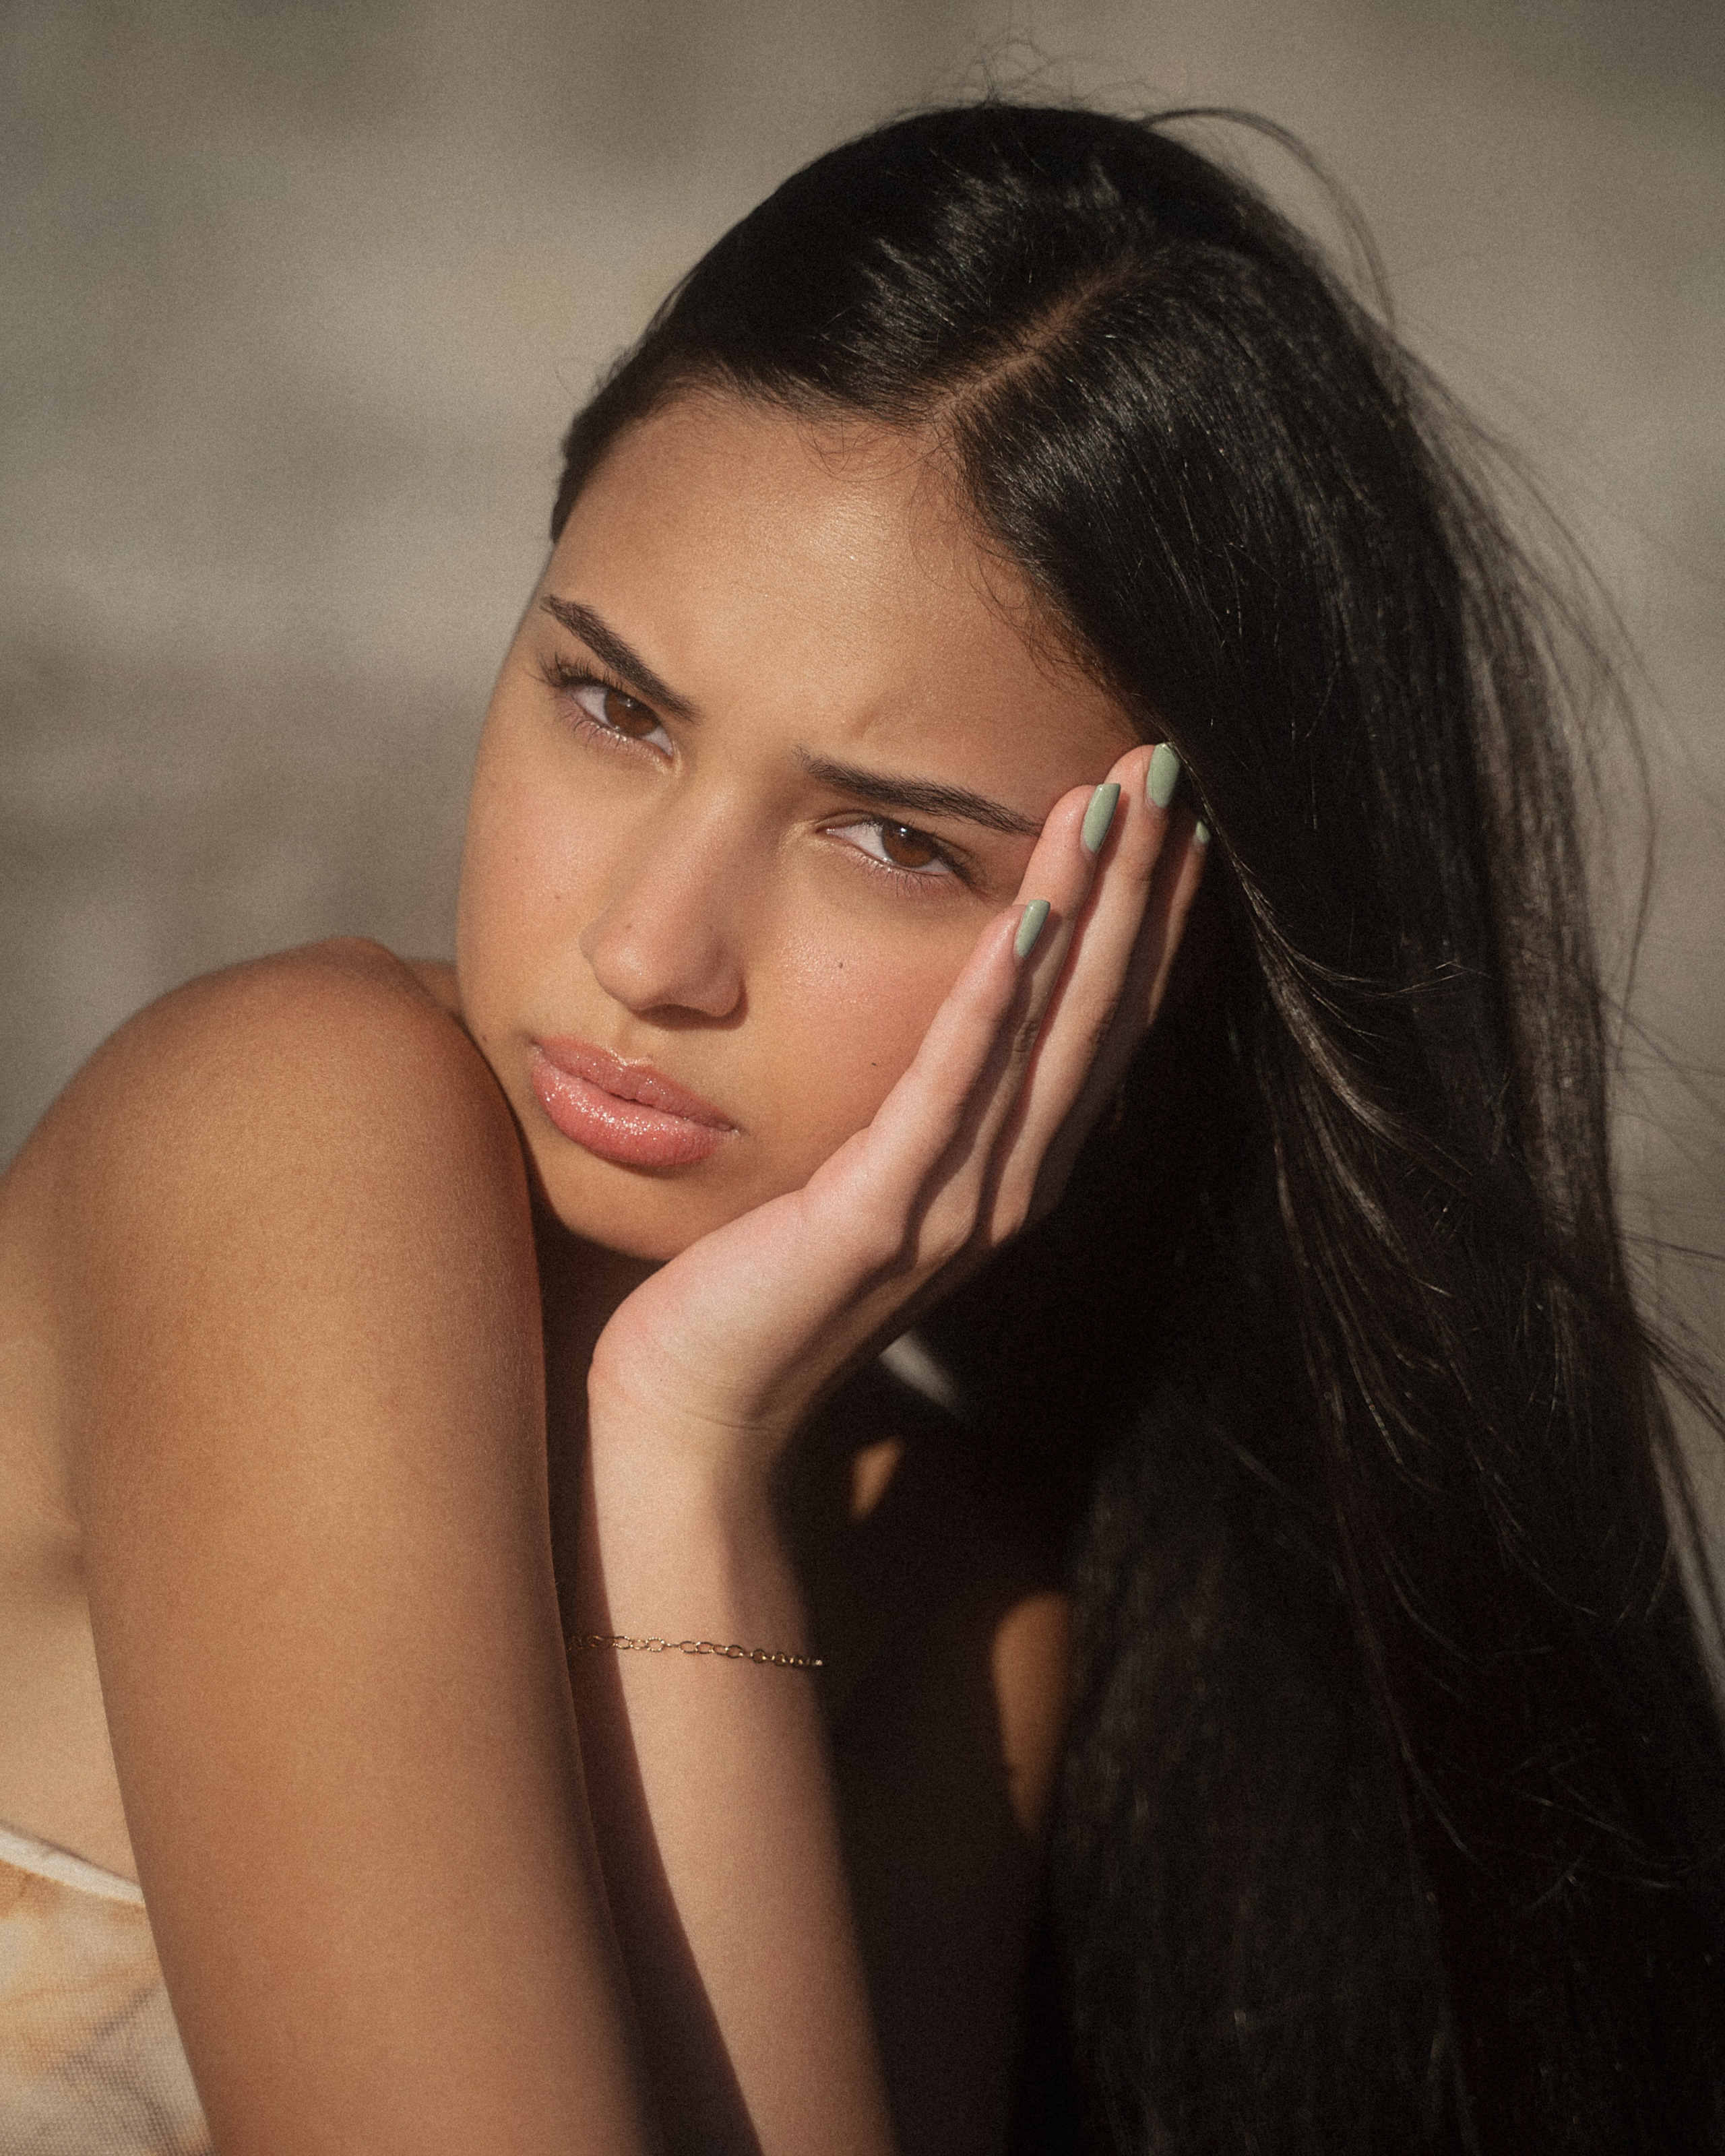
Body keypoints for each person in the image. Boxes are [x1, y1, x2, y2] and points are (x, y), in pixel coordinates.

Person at [0, 96, 1720, 2156]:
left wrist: (683, 1453)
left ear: (1150, 963)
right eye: (612, 705)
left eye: (892, 840)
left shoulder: (965, 1605)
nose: (648, 948)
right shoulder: (288, 1133)